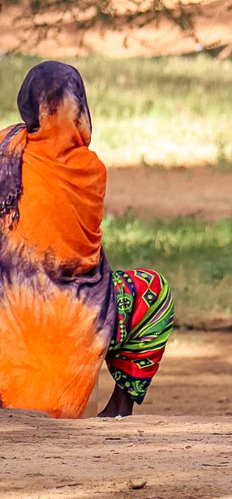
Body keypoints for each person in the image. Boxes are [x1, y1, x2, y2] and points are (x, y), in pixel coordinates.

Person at [0, 61, 174, 418]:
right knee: (153, 292)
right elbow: (88, 261)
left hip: (8, 321)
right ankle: (118, 410)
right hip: (73, 324)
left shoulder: (6, 149)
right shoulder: (90, 171)